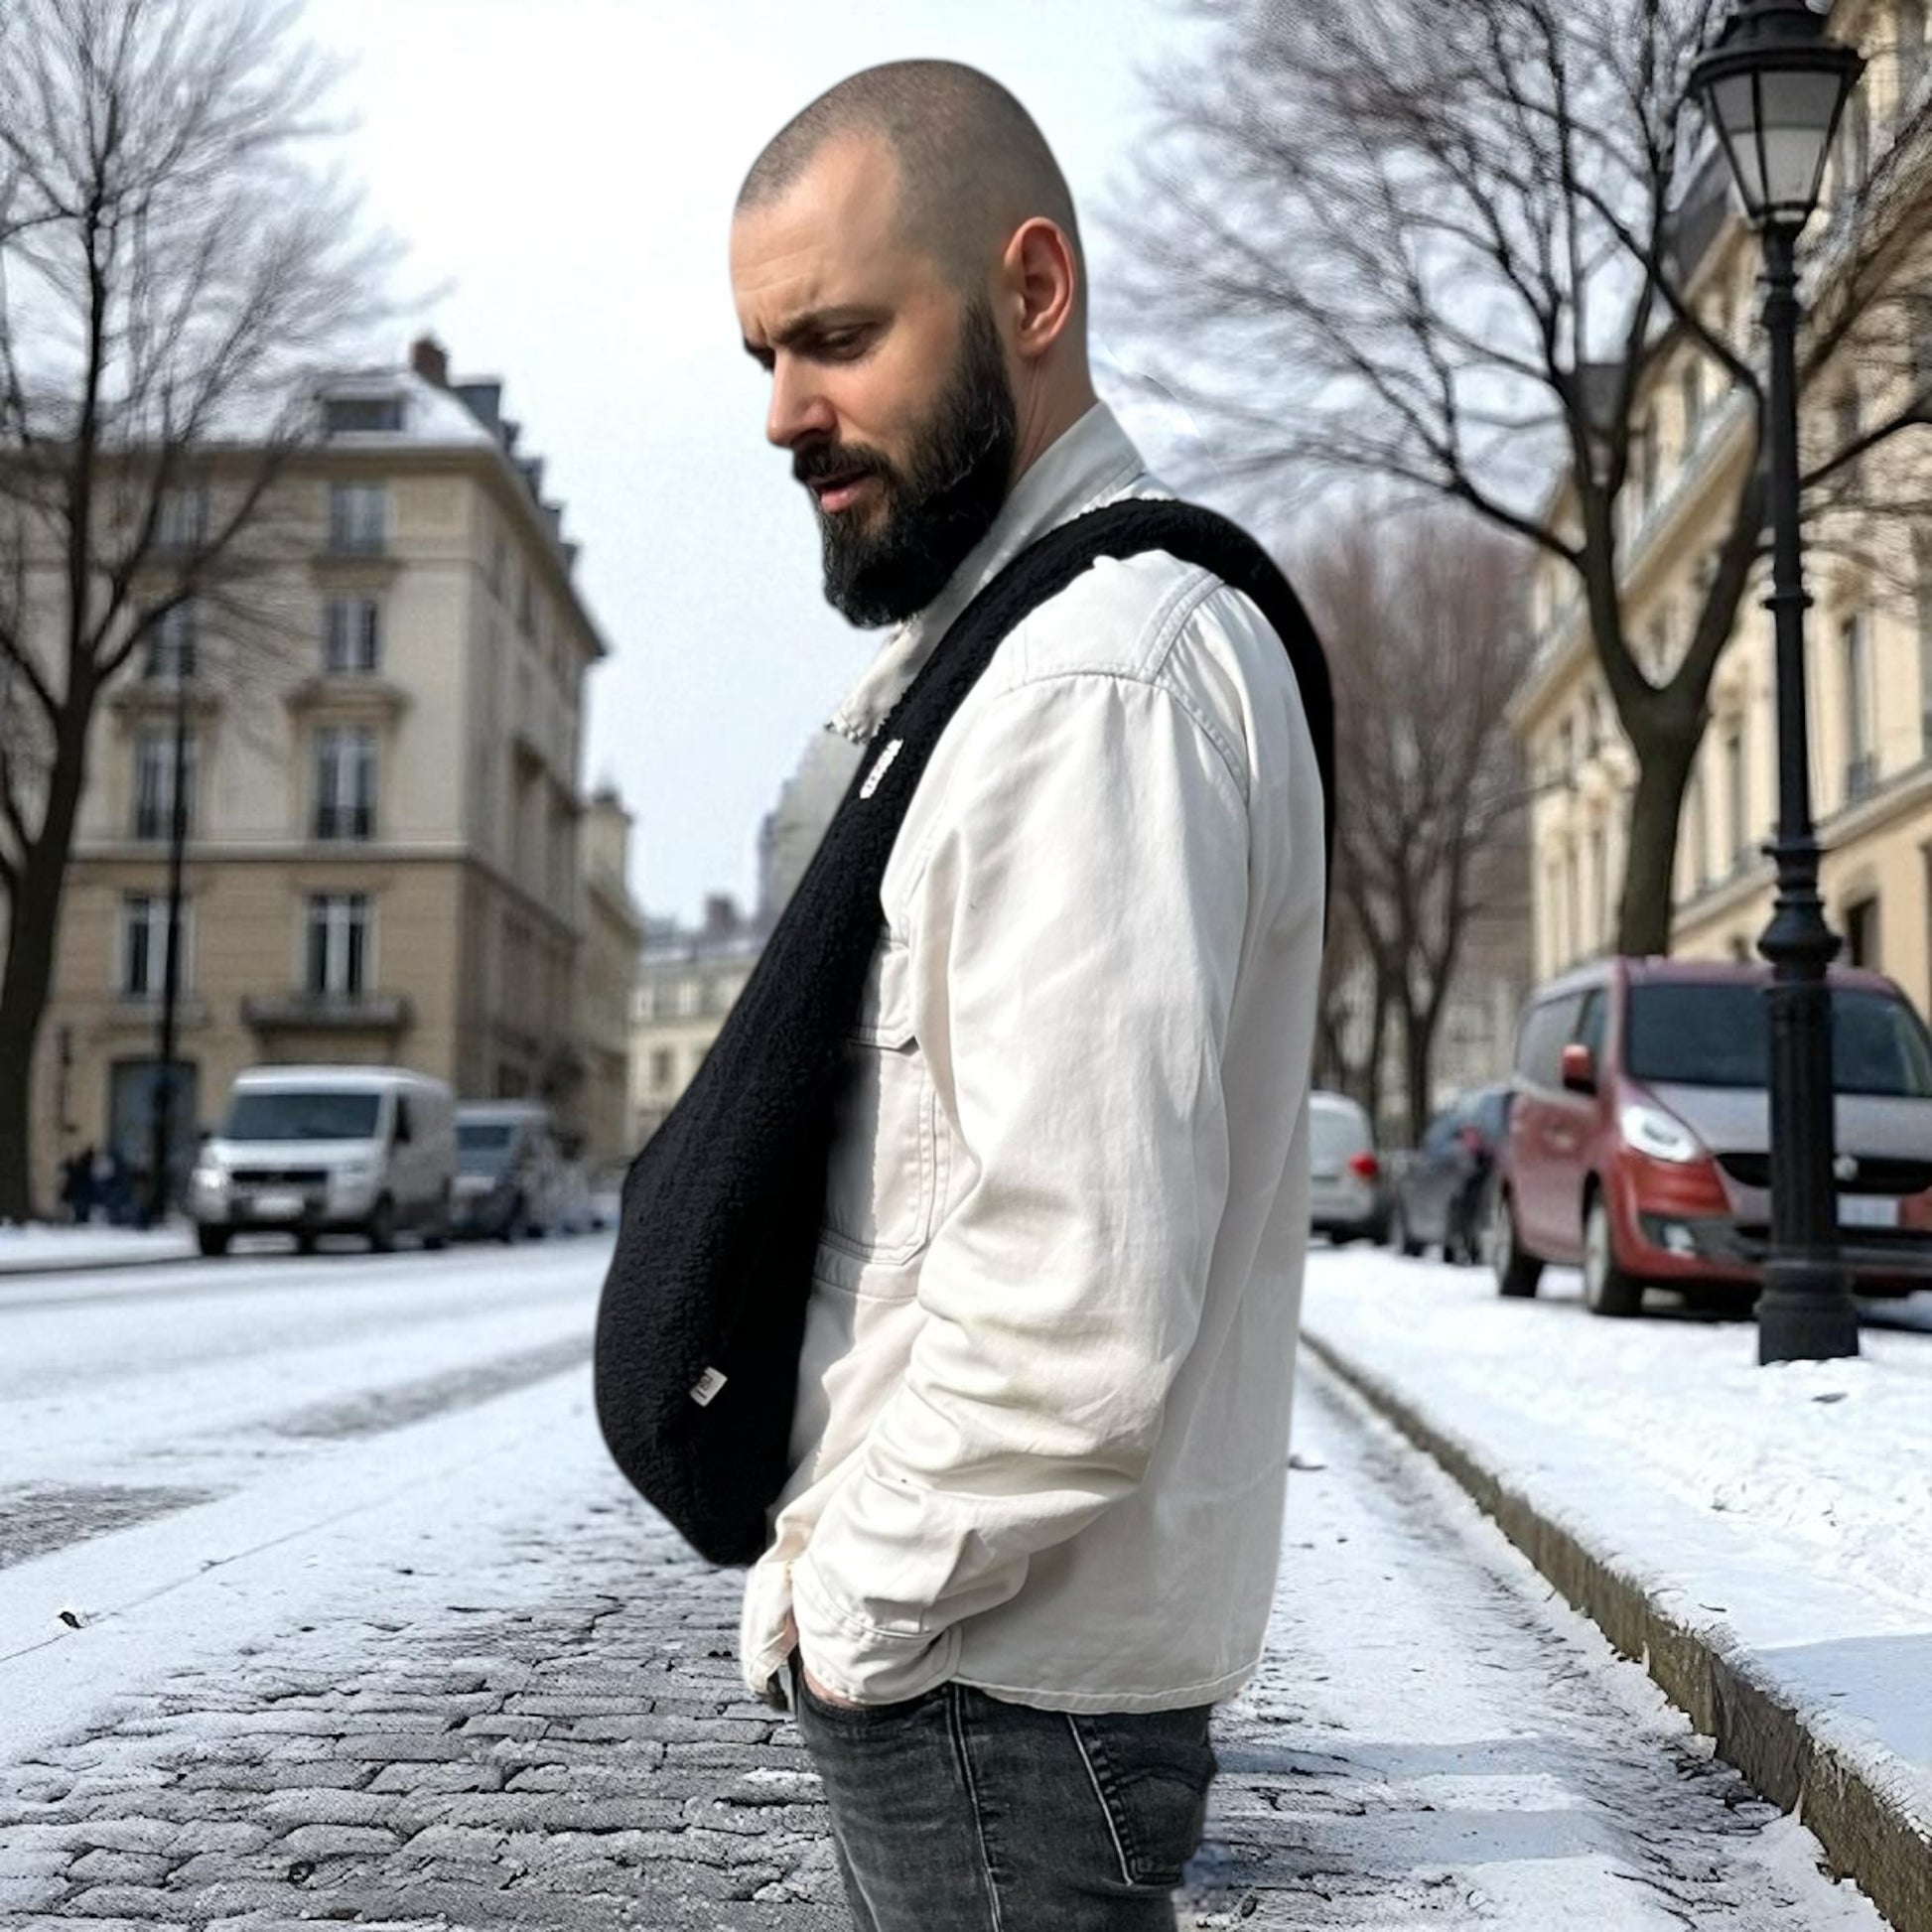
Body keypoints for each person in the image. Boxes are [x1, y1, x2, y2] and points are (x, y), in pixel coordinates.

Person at [728, 61, 1325, 1930]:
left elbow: (1075, 1284)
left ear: (1032, 292)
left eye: (837, 338)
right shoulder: (1028, 652)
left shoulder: (1091, 687)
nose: (783, 413)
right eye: (763, 354)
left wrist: (848, 1604)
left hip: (992, 1690)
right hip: (990, 1680)